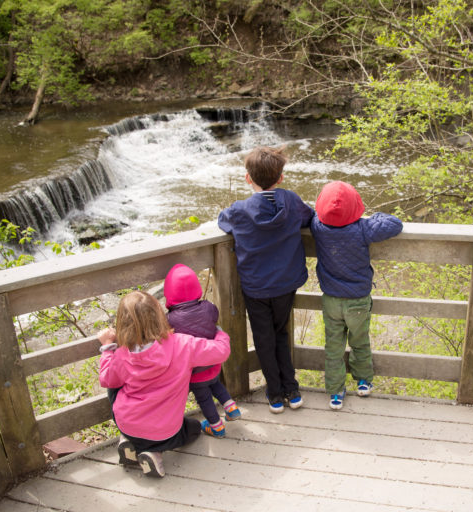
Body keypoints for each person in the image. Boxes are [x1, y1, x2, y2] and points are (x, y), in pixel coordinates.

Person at [217, 146, 314, 413]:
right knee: (281, 332)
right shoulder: (292, 201)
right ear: (281, 177)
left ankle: (274, 393)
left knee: (263, 338)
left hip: (256, 287)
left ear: (248, 178)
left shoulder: (239, 210)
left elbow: (222, 221)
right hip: (285, 283)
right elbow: (309, 217)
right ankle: (292, 390)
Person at [98, 290, 231, 477]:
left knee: (113, 381)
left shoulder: (121, 355)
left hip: (128, 423)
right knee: (193, 429)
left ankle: (129, 441)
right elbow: (222, 352)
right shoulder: (183, 345)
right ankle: (154, 454)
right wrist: (219, 333)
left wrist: (107, 348)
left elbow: (105, 379)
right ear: (159, 314)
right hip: (166, 432)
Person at [310, 181, 403, 410]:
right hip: (358, 300)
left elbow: (309, 212)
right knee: (360, 342)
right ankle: (363, 382)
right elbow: (395, 224)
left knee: (333, 347)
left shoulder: (317, 226)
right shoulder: (364, 228)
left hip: (331, 299)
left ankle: (335, 392)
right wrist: (375, 216)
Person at [163, 263, 241, 438]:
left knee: (204, 398)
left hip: (194, 372)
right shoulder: (207, 308)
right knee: (216, 384)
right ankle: (231, 407)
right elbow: (214, 318)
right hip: (213, 363)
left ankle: (216, 427)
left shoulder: (169, 320)